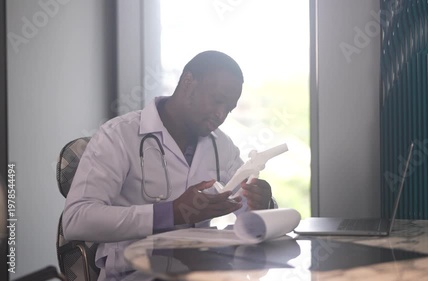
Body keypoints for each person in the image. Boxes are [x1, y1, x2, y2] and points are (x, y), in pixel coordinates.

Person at [62, 50, 276, 280]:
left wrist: (262, 205)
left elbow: (247, 210)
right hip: (134, 272)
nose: (221, 114)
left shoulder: (220, 144)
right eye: (217, 100)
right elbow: (76, 220)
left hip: (203, 272)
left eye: (229, 109)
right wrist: (170, 213)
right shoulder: (118, 135)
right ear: (188, 82)